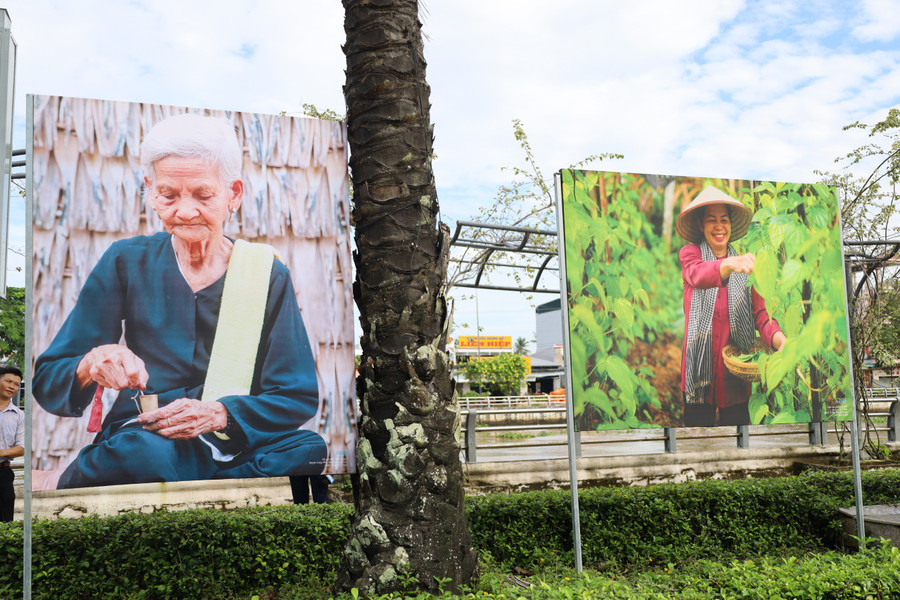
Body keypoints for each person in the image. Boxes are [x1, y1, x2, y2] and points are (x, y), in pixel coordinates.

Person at [32, 114, 326, 490]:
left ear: (233, 193)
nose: (185, 211)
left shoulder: (266, 273)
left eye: (203, 195)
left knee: (310, 449)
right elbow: (49, 377)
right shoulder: (126, 260)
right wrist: (91, 364)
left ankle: (104, 474)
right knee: (147, 453)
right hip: (148, 433)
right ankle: (149, 471)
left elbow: (295, 395)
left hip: (228, 439)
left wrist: (219, 413)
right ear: (150, 189)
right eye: (168, 195)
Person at [676, 187, 786, 427]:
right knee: (698, 441)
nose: (719, 226)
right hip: (698, 373)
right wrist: (729, 264)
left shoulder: (745, 267)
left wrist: (781, 342)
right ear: (701, 225)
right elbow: (698, 275)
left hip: (735, 377)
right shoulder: (690, 255)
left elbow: (761, 315)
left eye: (724, 220)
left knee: (738, 444)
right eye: (711, 220)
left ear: (730, 225)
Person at [0, 366, 23, 520]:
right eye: (8, 381)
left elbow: (22, 448)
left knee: (5, 522)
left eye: (16, 384)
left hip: (4, 474)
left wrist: (1, 453)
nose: (12, 386)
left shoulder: (19, 415)